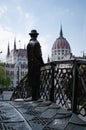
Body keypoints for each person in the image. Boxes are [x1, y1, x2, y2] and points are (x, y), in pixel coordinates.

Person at [27, 30, 44, 100]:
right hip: (36, 65)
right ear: (36, 36)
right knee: (37, 80)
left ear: (31, 36)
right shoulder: (36, 43)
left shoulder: (28, 44)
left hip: (30, 65)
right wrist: (43, 63)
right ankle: (36, 96)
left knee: (32, 80)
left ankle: (33, 96)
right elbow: (39, 55)